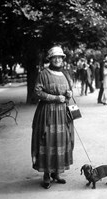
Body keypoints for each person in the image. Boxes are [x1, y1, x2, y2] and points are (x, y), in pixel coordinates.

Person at [31, 46, 74, 189]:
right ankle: (46, 175)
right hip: (47, 114)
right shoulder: (44, 73)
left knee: (60, 141)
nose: (57, 59)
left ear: (62, 59)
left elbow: (69, 90)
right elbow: (37, 92)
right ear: (50, 59)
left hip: (62, 114)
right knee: (47, 141)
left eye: (60, 57)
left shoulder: (66, 74)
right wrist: (55, 98)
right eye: (54, 57)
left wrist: (69, 94)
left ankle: (57, 173)